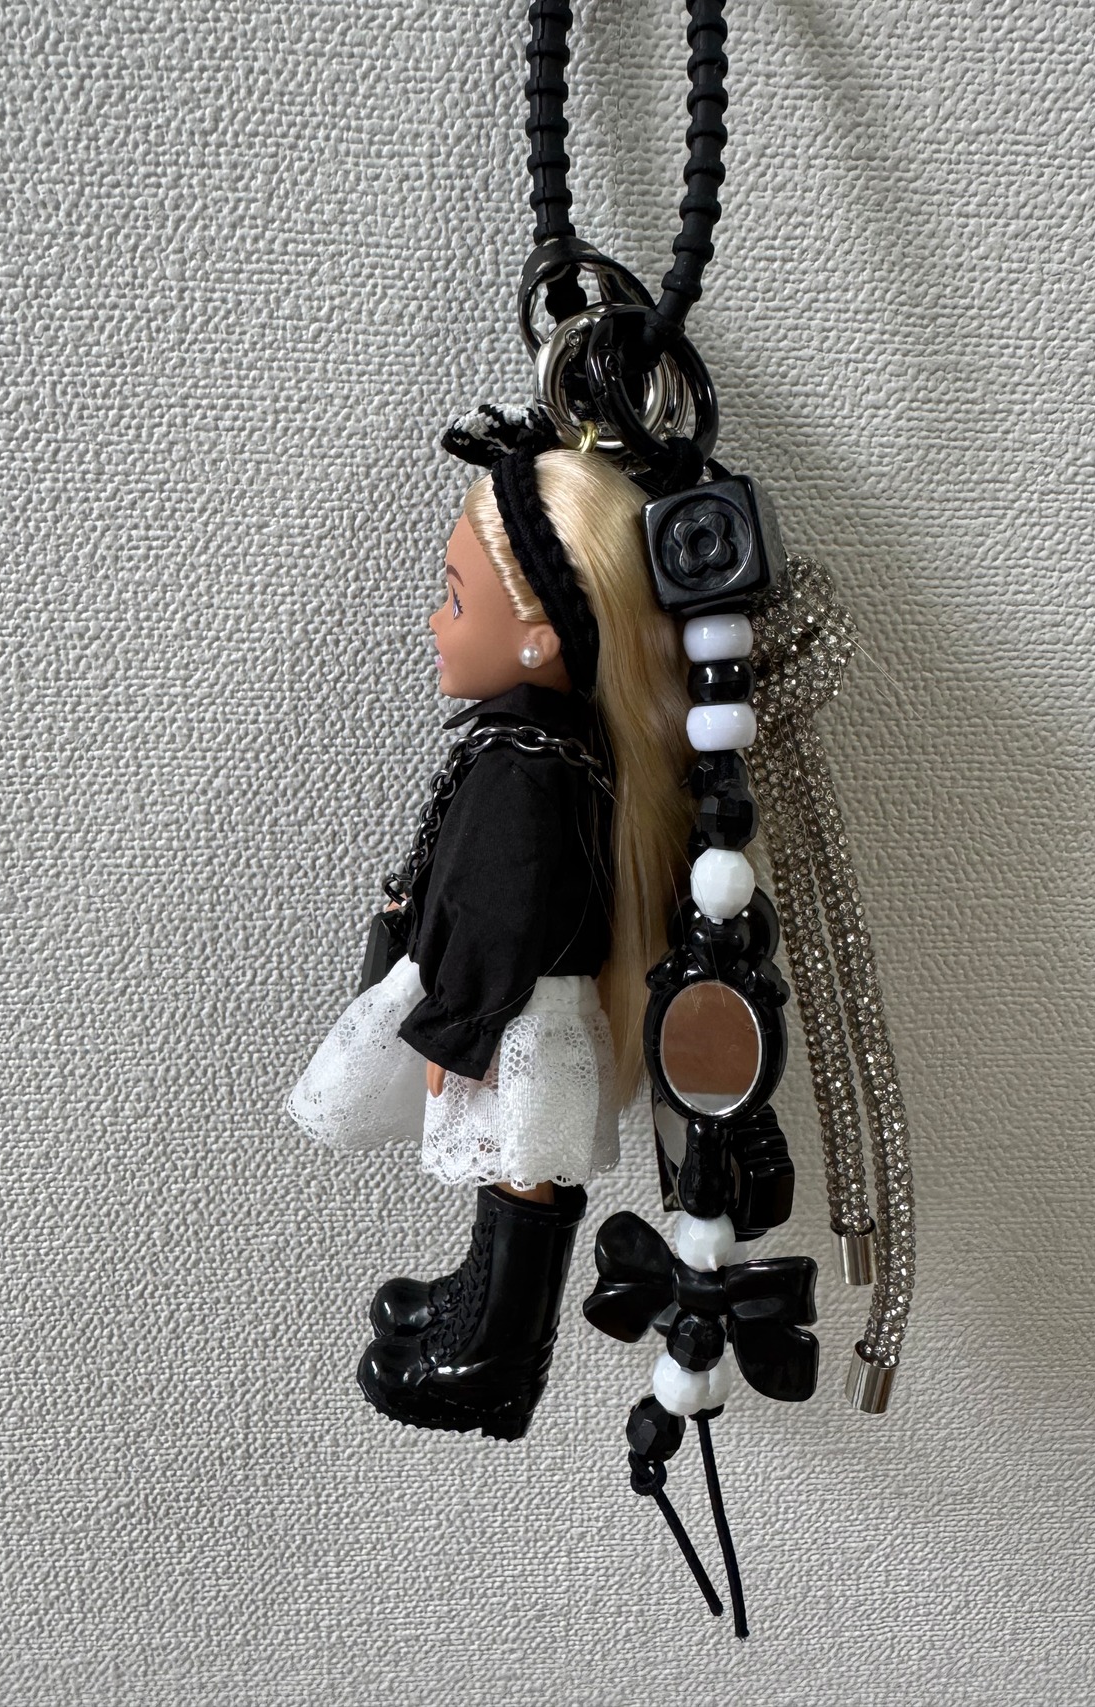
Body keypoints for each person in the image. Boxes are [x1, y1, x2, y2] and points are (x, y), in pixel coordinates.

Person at [286, 443, 693, 1439]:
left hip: (510, 1018)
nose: (436, 621)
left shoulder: (528, 769)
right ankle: (482, 1305)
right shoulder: (535, 751)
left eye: (456, 600)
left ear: (538, 643)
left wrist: (457, 1029)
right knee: (511, 1166)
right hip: (506, 1010)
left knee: (522, 1163)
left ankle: (496, 1356)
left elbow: (503, 912)